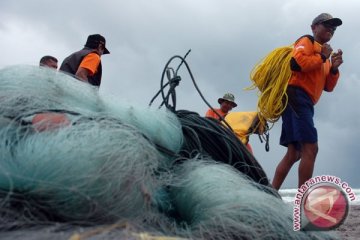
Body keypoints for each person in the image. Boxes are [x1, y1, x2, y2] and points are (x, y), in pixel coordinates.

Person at [272, 13, 343, 190]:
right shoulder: (307, 41)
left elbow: (328, 87)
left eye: (333, 28)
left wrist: (333, 69)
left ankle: (271, 192)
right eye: (326, 25)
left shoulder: (325, 54)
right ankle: (303, 201)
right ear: (313, 27)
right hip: (297, 96)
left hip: (303, 102)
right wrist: (322, 57)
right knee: (311, 148)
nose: (331, 30)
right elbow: (296, 63)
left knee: (294, 153)